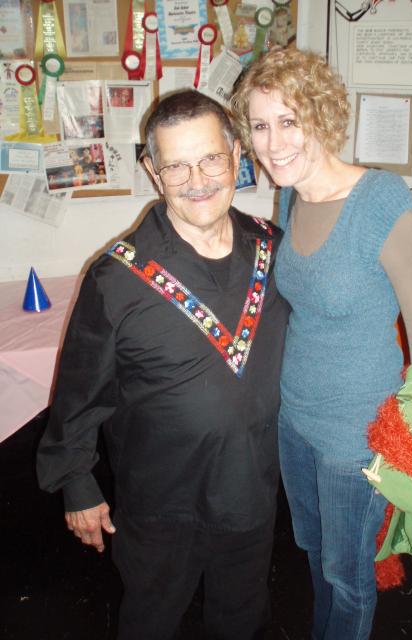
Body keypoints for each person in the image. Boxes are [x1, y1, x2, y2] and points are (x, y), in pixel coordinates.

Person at [37, 90, 289, 640]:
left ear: (236, 155)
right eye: (176, 165)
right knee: (151, 621)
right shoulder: (116, 278)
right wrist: (77, 483)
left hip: (250, 491)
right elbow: (79, 391)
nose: (197, 180)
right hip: (160, 505)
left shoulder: (275, 252)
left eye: (211, 159)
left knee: (242, 620)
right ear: (153, 173)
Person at [232, 48, 412, 640]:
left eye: (289, 120)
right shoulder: (290, 194)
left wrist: (410, 451)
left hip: (358, 433)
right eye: (260, 125)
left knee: (349, 576)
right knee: (312, 551)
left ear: (321, 115)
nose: (273, 143)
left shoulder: (383, 204)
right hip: (295, 417)